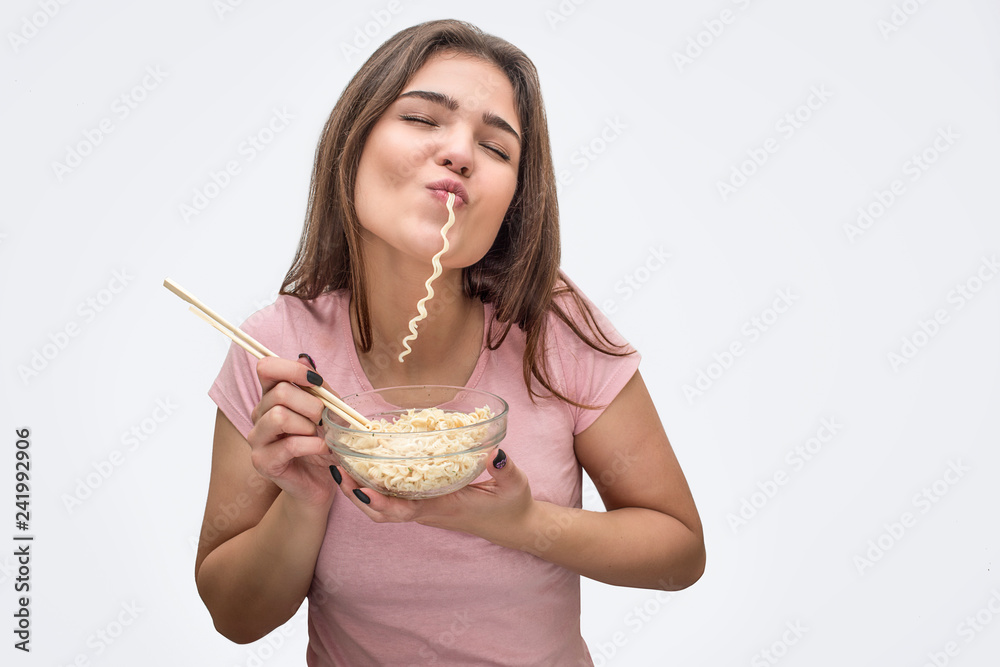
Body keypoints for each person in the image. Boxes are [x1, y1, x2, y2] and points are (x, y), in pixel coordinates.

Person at [194, 19, 705, 666]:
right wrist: (304, 498)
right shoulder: (275, 352)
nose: (460, 151)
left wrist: (518, 522)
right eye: (423, 118)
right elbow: (234, 617)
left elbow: (680, 552)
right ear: (355, 138)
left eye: (497, 148)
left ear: (514, 202)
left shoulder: (554, 329)